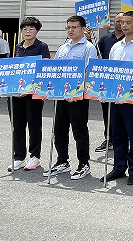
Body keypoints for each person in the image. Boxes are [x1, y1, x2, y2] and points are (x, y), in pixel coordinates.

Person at [100, 11, 133, 186]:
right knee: (118, 135)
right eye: (122, 22)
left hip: (132, 100)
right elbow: (110, 72)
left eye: (128, 22)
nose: (124, 25)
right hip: (115, 99)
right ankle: (119, 168)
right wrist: (105, 92)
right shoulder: (116, 47)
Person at [44, 16, 97, 180]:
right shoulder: (63, 48)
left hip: (78, 97)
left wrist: (75, 93)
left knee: (79, 130)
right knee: (59, 129)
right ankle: (62, 161)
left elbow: (89, 72)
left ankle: (84, 164)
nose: (70, 30)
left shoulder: (89, 48)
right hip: (61, 95)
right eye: (68, 27)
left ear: (83, 29)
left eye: (74, 27)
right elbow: (55, 70)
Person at [7, 17, 50, 172]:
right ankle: (18, 156)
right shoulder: (18, 47)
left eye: (31, 28)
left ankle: (35, 156)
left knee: (34, 124)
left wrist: (29, 89)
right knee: (17, 125)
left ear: (37, 31)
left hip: (33, 94)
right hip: (16, 94)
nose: (27, 31)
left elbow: (44, 70)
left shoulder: (42, 47)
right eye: (24, 29)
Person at [94, 11, 125, 153]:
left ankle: (124, 139)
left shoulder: (129, 39)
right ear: (113, 22)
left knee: (122, 112)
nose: (120, 24)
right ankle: (108, 139)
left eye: (123, 21)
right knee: (107, 112)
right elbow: (96, 54)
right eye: (117, 21)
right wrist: (89, 38)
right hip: (106, 80)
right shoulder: (105, 38)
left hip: (122, 81)